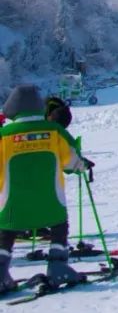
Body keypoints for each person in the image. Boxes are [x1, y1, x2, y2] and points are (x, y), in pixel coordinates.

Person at [0, 87, 92, 292]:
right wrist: (83, 166)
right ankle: (58, 266)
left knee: (5, 232)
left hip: (12, 205)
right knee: (60, 225)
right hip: (51, 203)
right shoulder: (54, 132)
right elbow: (71, 162)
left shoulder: (3, 136)